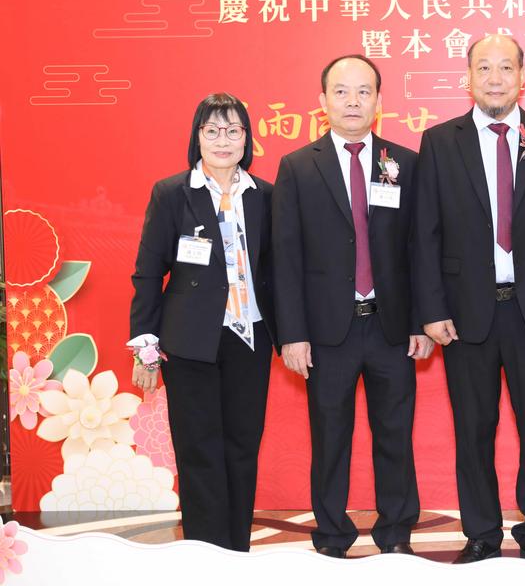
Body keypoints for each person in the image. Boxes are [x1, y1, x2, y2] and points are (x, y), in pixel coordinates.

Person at [412, 34, 525, 566]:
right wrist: (432, 309)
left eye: (505, 67)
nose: (495, 78)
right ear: (467, 77)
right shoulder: (440, 142)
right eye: (484, 68)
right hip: (465, 314)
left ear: (522, 77)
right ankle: (482, 533)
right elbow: (425, 234)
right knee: (473, 430)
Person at [272, 55, 433, 558]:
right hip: (326, 333)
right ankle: (331, 537)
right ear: (322, 101)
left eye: (364, 92)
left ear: (379, 101)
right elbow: (285, 257)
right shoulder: (298, 167)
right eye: (341, 92)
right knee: (330, 439)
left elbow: (419, 249)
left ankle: (396, 535)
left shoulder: (403, 163)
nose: (353, 102)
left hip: (391, 327)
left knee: (395, 437)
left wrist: (421, 321)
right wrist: (292, 333)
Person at [129, 92, 276, 551]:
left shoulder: (266, 195)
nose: (222, 140)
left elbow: (279, 272)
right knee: (199, 451)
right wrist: (146, 351)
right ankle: (205, 557)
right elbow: (148, 274)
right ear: (197, 137)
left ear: (247, 138)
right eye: (212, 131)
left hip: (250, 337)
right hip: (190, 343)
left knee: (242, 448)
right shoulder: (173, 193)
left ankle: (236, 552)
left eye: (233, 130)